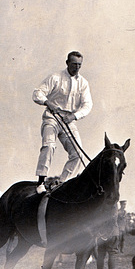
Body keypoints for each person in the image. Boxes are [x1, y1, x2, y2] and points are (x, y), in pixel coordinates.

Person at [32, 51, 93, 194]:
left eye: (79, 65)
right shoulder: (56, 77)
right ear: (67, 63)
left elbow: (87, 105)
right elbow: (37, 93)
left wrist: (74, 116)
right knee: (49, 145)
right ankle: (41, 181)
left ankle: (62, 182)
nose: (77, 67)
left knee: (78, 153)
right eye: (74, 64)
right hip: (52, 117)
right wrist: (48, 102)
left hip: (68, 120)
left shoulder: (83, 83)